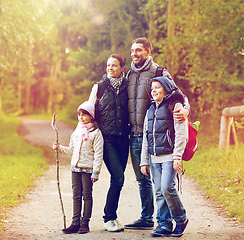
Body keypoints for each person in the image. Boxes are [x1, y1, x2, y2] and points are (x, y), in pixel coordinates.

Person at [125, 37, 190, 230]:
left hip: (161, 138)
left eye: (138, 50)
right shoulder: (129, 74)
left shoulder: (159, 72)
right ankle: (147, 218)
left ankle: (165, 222)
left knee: (164, 186)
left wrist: (185, 110)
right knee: (142, 180)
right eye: (132, 50)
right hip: (138, 136)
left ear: (147, 51)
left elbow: (179, 95)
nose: (134, 54)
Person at [140, 76, 189, 237]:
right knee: (160, 191)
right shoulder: (150, 109)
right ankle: (164, 224)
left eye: (158, 87)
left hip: (169, 156)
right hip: (154, 157)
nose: (154, 90)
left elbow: (182, 133)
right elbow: (146, 136)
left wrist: (177, 156)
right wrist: (144, 161)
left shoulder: (175, 105)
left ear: (166, 89)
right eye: (152, 88)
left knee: (168, 187)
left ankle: (181, 219)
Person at [88, 54, 130, 232]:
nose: (110, 68)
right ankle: (109, 218)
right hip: (107, 140)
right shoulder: (99, 87)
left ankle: (112, 216)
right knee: (119, 177)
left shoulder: (129, 86)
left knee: (117, 180)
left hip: (124, 139)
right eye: (108, 65)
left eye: (114, 65)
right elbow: (88, 111)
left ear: (122, 68)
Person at [52, 101, 103, 235]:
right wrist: (59, 148)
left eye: (84, 115)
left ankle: (85, 223)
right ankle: (75, 223)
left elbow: (99, 154)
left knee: (87, 195)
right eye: (79, 115)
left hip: (88, 170)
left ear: (91, 116)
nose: (81, 117)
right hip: (75, 168)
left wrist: (96, 172)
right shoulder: (77, 132)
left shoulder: (96, 133)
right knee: (76, 196)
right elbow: (71, 150)